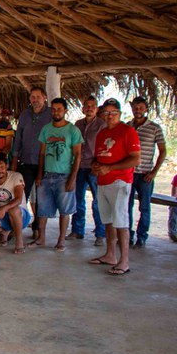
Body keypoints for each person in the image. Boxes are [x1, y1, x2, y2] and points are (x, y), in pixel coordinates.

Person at [89, 98, 140, 276]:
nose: (109, 116)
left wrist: (110, 168)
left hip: (120, 181)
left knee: (121, 221)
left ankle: (124, 260)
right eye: (106, 113)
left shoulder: (128, 131)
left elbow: (135, 158)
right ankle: (110, 254)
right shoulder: (102, 134)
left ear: (119, 114)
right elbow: (98, 157)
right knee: (108, 220)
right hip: (102, 182)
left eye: (113, 113)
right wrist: (96, 166)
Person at [31, 98, 82, 251]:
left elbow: (78, 155)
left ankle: (61, 240)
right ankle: (41, 238)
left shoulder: (73, 130)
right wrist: (40, 174)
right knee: (43, 209)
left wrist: (72, 179)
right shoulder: (46, 129)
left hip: (64, 175)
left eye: (59, 109)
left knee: (64, 210)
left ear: (65, 110)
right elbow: (41, 153)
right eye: (53, 109)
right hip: (47, 174)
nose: (56, 112)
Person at [11, 87, 52, 239]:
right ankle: (17, 227)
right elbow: (18, 139)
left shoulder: (50, 114)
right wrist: (14, 160)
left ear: (44, 97)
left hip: (46, 162)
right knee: (22, 196)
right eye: (32, 97)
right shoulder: (24, 115)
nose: (35, 100)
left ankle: (38, 230)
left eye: (38, 97)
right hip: (26, 161)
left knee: (42, 197)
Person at [127, 96, 166, 248]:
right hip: (129, 173)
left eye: (141, 107)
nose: (138, 110)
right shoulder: (127, 126)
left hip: (145, 174)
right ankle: (128, 235)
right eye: (136, 107)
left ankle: (141, 236)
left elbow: (163, 151)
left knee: (144, 207)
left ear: (146, 109)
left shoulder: (155, 128)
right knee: (126, 206)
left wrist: (154, 172)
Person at [70, 96, 107, 246]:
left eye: (93, 106)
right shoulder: (78, 124)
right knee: (77, 199)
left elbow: (104, 146)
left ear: (97, 109)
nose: (90, 108)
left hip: (95, 167)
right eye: (87, 106)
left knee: (98, 202)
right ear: (83, 108)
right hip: (79, 166)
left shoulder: (102, 125)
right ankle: (77, 230)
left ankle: (100, 234)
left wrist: (98, 163)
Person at [0, 153, 32, 254]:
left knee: (13, 209)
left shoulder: (16, 176)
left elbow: (18, 199)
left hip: (21, 216)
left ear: (7, 166)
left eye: (2, 166)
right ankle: (4, 232)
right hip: (3, 215)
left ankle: (19, 241)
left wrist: (4, 208)